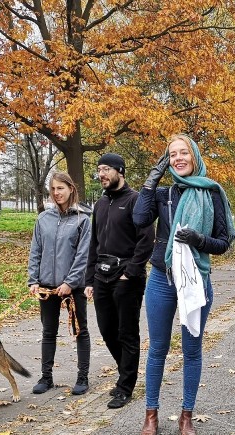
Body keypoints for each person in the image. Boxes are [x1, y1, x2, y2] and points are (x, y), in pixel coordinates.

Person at [132, 134, 235, 435]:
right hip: (162, 279)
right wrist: (151, 181)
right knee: (158, 349)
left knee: (192, 350)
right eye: (172, 154)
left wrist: (197, 240)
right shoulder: (164, 194)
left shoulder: (212, 192)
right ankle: (151, 415)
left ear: (194, 156)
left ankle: (186, 416)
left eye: (183, 152)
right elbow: (139, 219)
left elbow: (223, 242)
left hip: (196, 281)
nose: (178, 158)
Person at [85, 153, 154, 409]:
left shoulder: (136, 201)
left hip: (127, 278)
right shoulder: (101, 204)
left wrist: (131, 272)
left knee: (127, 333)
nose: (101, 174)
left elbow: (146, 240)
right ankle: (125, 373)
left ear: (119, 171)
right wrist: (89, 279)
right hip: (101, 275)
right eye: (99, 170)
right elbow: (94, 242)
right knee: (107, 330)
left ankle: (126, 386)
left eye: (105, 169)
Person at [27, 171, 92, 395]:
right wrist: (33, 280)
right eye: (53, 189)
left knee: (80, 331)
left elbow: (83, 256)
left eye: (61, 188)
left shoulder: (82, 220)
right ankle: (46, 378)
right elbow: (36, 250)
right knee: (48, 331)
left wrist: (70, 282)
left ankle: (82, 377)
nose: (56, 193)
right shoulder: (43, 219)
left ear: (71, 189)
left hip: (73, 287)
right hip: (46, 286)